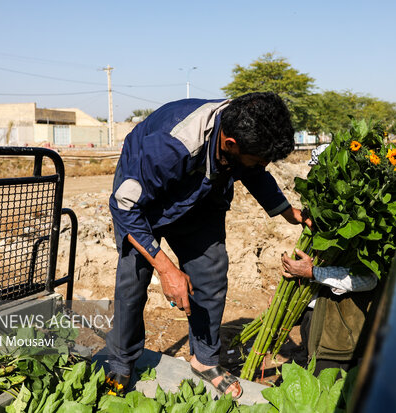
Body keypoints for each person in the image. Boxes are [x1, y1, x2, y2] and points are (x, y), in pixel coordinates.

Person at [107, 92, 312, 399]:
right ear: (229, 144)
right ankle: (121, 360)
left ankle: (204, 360)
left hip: (200, 196)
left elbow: (254, 172)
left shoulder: (242, 129)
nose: (260, 164)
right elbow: (125, 207)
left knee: (211, 274)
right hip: (142, 201)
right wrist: (166, 268)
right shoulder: (172, 145)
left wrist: (288, 212)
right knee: (133, 281)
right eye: (258, 158)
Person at [281, 248, 379, 374]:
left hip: (338, 337)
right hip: (314, 322)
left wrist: (313, 272)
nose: (309, 226)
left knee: (329, 385)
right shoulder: (315, 234)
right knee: (310, 374)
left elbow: (368, 279)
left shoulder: (362, 244)